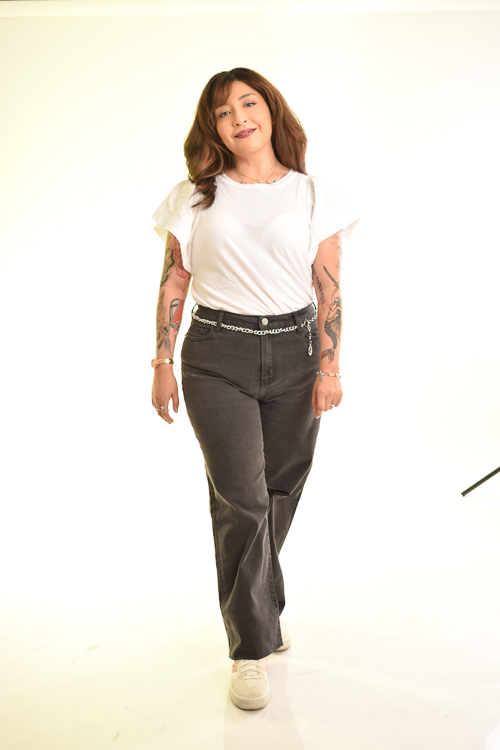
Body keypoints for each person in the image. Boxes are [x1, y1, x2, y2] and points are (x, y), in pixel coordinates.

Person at [150, 67, 359, 710]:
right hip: (217, 356)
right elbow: (175, 279)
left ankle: (262, 604)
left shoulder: (313, 193)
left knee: (280, 489)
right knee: (241, 498)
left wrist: (329, 368)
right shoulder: (194, 196)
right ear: (212, 128)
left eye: (248, 103)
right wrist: (161, 359)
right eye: (222, 111)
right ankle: (249, 648)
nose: (239, 117)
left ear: (271, 110)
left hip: (297, 353)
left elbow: (329, 286)